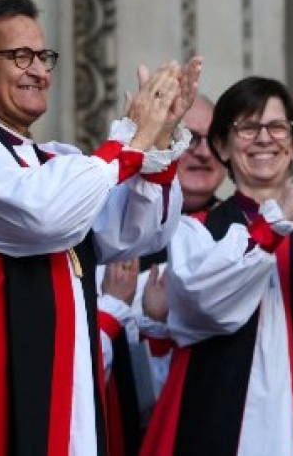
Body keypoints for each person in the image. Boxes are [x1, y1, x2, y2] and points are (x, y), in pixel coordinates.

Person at [0, 0, 202, 456]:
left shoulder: (54, 161)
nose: (40, 71)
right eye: (20, 56)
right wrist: (131, 138)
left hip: (70, 383)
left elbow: (132, 234)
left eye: (44, 57)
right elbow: (45, 214)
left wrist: (155, 144)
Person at [138, 75, 293, 456]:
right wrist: (271, 228)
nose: (263, 138)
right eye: (247, 128)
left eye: (277, 127)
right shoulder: (197, 231)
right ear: (222, 145)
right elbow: (208, 306)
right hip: (217, 417)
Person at [96, 93, 225, 455]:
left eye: (213, 140)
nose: (203, 152)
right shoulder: (115, 225)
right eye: (189, 138)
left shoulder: (239, 232)